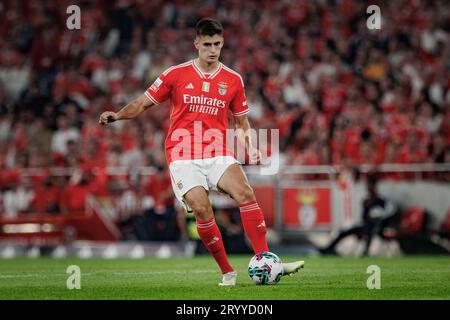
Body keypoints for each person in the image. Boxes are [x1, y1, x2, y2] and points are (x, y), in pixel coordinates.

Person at [99, 18, 304, 286]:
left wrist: (251, 147)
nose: (212, 49)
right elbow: (142, 104)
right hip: (183, 153)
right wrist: (117, 115)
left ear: (222, 43)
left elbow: (241, 122)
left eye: (217, 44)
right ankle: (227, 272)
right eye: (207, 44)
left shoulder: (233, 79)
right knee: (202, 209)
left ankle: (266, 259)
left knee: (245, 192)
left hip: (217, 151)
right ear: (196, 44)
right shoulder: (175, 74)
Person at [319, 172, 401, 256]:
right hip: (366, 226)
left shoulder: (382, 200)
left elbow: (390, 212)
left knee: (370, 231)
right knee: (344, 232)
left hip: (379, 227)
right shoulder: (366, 201)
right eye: (368, 186)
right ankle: (329, 249)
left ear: (375, 187)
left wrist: (378, 217)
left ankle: (366, 251)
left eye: (370, 186)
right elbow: (364, 218)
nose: (368, 188)